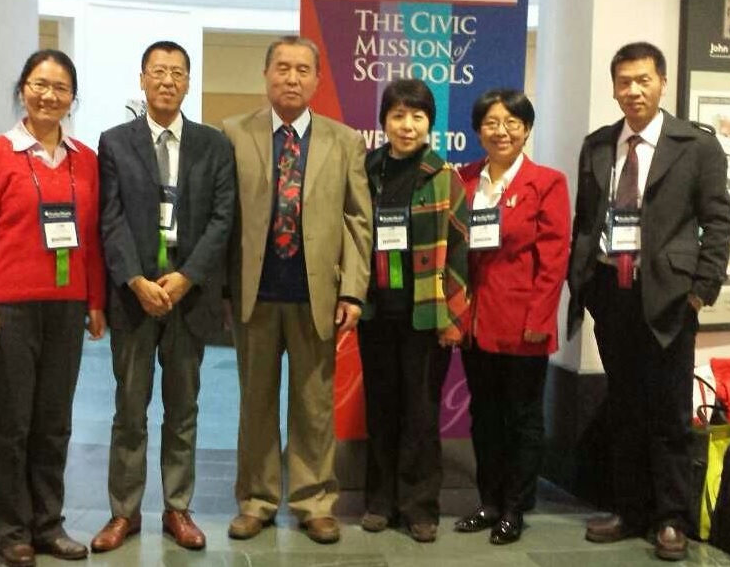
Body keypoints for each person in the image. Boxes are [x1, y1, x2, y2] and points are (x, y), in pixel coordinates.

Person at [567, 42, 730, 562]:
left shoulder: (696, 145)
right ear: (614, 88)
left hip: (670, 298)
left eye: (643, 80)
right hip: (611, 293)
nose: (633, 91)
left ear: (662, 82)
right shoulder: (598, 145)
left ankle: (671, 519)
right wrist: (584, 284)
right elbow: (586, 219)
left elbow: (718, 222)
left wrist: (701, 292)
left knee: (669, 413)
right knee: (624, 407)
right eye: (624, 82)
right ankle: (630, 509)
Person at [222, 36, 372, 544]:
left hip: (317, 297)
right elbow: (223, 216)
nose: (292, 78)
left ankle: (313, 501)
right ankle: (256, 500)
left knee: (314, 407)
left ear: (317, 79)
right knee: (256, 404)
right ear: (266, 74)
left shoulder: (343, 140)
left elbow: (358, 220)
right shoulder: (233, 134)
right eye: (282, 68)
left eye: (302, 69)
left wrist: (353, 291)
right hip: (254, 293)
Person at [91, 40, 236, 553]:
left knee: (183, 408)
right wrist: (135, 280)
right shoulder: (115, 142)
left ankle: (178, 508)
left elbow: (223, 218)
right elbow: (109, 217)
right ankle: (123, 512)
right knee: (129, 410)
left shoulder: (214, 145)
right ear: (142, 79)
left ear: (188, 82)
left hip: (188, 297)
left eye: (177, 72)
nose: (167, 80)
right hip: (134, 296)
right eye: (158, 71)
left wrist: (187, 276)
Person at [0, 50, 106, 567]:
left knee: (54, 422)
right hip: (10, 310)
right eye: (39, 84)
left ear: (73, 97)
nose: (49, 95)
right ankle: (12, 531)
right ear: (23, 89)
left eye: (60, 87)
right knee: (11, 425)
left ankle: (49, 524)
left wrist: (95, 301)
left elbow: (91, 238)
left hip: (66, 309)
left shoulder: (84, 160)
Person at [455, 89, 570, 544]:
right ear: (477, 129)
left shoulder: (547, 182)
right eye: (491, 122)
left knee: (522, 418)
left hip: (524, 323)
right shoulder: (464, 179)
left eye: (511, 123)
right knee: (484, 415)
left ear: (526, 129)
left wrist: (540, 319)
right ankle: (488, 501)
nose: (501, 131)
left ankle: (515, 508)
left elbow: (554, 259)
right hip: (476, 322)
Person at [358, 78, 469, 543]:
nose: (407, 125)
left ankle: (420, 507)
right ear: (384, 121)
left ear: (430, 124)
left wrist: (454, 318)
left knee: (421, 415)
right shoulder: (367, 170)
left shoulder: (444, 177)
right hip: (376, 311)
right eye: (398, 115)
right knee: (381, 409)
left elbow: (460, 251)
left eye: (417, 116)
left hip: (425, 314)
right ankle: (379, 501)